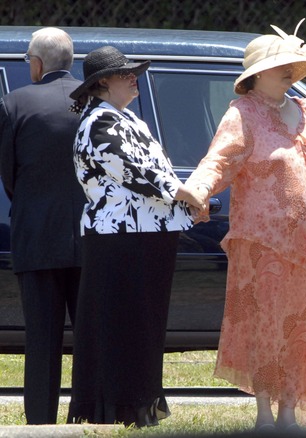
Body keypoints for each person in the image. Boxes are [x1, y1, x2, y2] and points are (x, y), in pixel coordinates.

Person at [185, 20, 306, 431]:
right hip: (262, 246)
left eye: (295, 64)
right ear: (257, 74)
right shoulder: (242, 113)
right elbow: (219, 159)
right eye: (282, 64)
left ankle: (290, 413)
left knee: (304, 330)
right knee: (266, 330)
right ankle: (264, 414)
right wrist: (198, 187)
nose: (291, 71)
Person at [65, 45, 203, 427]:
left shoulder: (127, 119)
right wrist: (185, 194)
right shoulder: (99, 122)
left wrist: (187, 205)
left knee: (143, 325)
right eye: (126, 73)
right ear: (102, 82)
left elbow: (156, 172)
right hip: (119, 241)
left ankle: (139, 405)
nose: (134, 77)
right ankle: (116, 409)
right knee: (120, 325)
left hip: (146, 237)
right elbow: (137, 174)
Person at [0, 27, 83, 425]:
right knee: (90, 339)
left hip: (36, 236)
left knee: (42, 342)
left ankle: (40, 424)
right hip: (92, 238)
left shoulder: (14, 104)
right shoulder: (96, 101)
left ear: (36, 63)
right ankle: (88, 417)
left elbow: (9, 175)